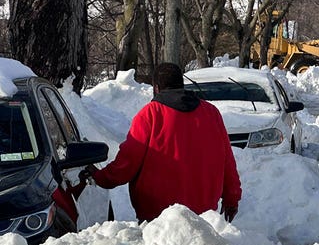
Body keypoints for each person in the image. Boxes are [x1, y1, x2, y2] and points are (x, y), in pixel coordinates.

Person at [81, 62, 242, 223]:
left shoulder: (150, 115)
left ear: (156, 87)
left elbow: (128, 162)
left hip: (158, 220)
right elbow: (227, 160)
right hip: (203, 218)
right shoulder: (211, 113)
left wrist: (100, 177)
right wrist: (231, 198)